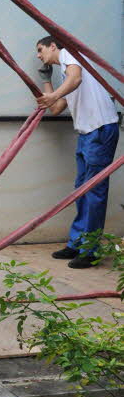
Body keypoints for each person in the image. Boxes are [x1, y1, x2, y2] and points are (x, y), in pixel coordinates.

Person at [35, 35, 120, 266]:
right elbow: (55, 108)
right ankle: (77, 244)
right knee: (80, 190)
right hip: (86, 133)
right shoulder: (65, 73)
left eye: (41, 50)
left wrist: (53, 94)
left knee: (93, 191)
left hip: (100, 129)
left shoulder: (71, 54)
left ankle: (90, 251)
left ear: (54, 46)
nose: (39, 56)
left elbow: (76, 79)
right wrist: (47, 82)